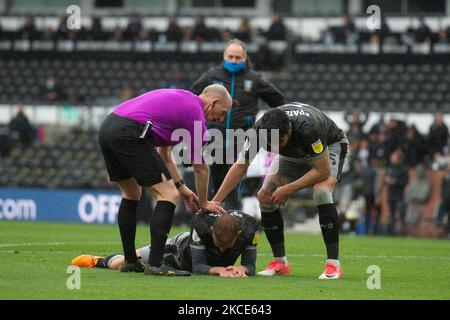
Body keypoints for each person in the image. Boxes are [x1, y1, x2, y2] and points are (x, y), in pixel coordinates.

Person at [98, 85, 230, 276]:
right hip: (131, 132)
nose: (221, 119)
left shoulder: (183, 102)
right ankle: (156, 264)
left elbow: (164, 154)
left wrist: (181, 186)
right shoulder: (196, 114)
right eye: (223, 112)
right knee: (167, 195)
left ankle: (130, 261)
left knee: (132, 192)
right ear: (214, 102)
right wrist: (203, 202)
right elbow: (200, 167)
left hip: (109, 127)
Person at [212, 103, 348, 280]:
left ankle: (333, 265)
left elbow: (322, 171)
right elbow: (240, 166)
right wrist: (215, 201)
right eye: (271, 143)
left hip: (330, 147)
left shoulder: (308, 128)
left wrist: (288, 188)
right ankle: (280, 262)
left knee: (321, 192)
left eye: (279, 142)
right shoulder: (258, 131)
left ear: (289, 130)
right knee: (265, 196)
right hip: (293, 156)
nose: (274, 146)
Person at [190, 39, 285, 210]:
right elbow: (191, 98)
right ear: (224, 56)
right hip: (214, 138)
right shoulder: (212, 76)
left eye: (237, 58)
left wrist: (268, 123)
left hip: (241, 139)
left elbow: (279, 102)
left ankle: (233, 222)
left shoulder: (254, 79)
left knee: (233, 184)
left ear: (245, 58)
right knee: (215, 182)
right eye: (230, 57)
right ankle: (211, 223)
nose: (233, 61)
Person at [71, 210, 258, 277]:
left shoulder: (250, 230)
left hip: (200, 261)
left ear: (239, 234)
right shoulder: (201, 225)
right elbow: (198, 265)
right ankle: (98, 260)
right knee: (125, 263)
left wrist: (243, 268)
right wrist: (219, 269)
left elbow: (250, 265)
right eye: (219, 244)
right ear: (211, 232)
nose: (223, 249)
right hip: (177, 251)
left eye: (228, 246)